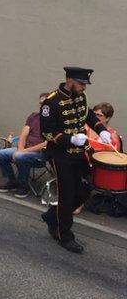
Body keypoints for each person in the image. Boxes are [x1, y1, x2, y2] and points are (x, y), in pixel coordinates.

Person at [39, 67, 110, 253]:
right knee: (67, 194)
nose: (84, 87)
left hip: (79, 152)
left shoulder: (81, 97)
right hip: (60, 155)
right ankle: (65, 237)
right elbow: (46, 132)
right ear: (69, 80)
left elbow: (88, 115)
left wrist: (101, 129)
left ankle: (52, 216)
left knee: (85, 191)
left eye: (85, 84)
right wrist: (69, 138)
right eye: (81, 83)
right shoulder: (51, 102)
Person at [0, 93, 50, 198]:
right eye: (40, 103)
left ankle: (24, 186)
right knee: (0, 154)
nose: (41, 105)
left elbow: (46, 143)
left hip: (41, 153)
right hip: (23, 149)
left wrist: (22, 152)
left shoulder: (54, 121)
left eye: (44, 103)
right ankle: (12, 181)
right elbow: (24, 134)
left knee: (20, 156)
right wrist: (20, 149)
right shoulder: (34, 116)